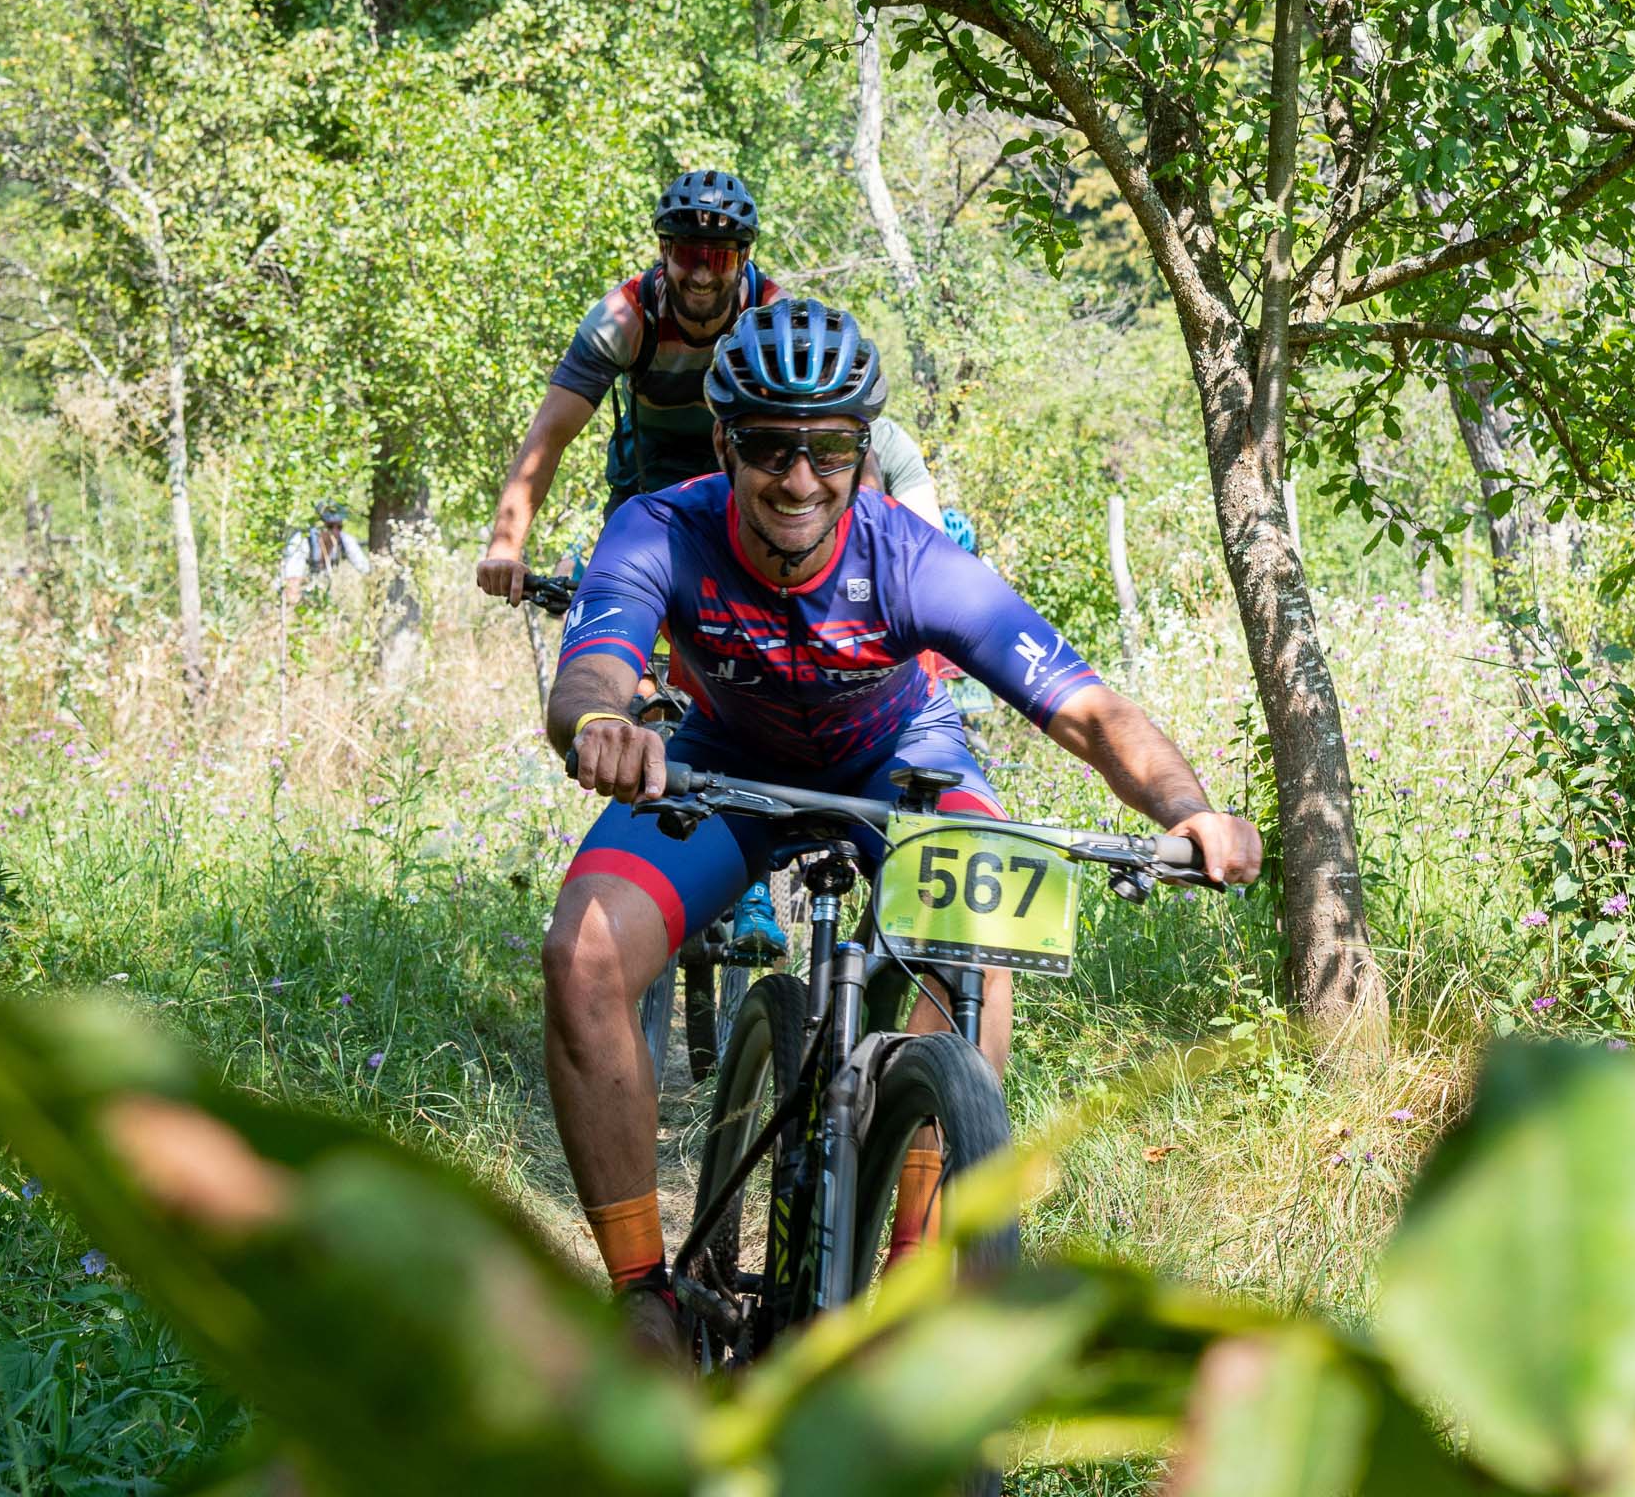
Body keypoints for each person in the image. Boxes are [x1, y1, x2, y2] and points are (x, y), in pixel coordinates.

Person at [537, 300, 1260, 1351]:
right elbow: (592, 670)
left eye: (829, 449)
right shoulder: (663, 527)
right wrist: (605, 721)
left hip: (900, 760)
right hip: (725, 756)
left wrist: (1190, 812)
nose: (800, 479)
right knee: (584, 955)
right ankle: (644, 1291)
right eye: (771, 447)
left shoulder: (908, 556)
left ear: (861, 450)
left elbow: (1089, 711)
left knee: (979, 946)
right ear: (725, 443)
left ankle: (912, 1275)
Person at [475, 167, 943, 959]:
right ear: (662, 253)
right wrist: (506, 544)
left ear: (744, 260)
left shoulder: (771, 317)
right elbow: (548, 435)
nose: (700, 272)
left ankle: (745, 873)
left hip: (761, 490)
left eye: (719, 257)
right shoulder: (625, 318)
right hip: (656, 498)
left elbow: (842, 447)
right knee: (636, 662)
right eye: (685, 252)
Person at [279, 500, 372, 605]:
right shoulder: (302, 541)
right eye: (330, 526)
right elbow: (291, 583)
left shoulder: (345, 541)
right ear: (319, 525)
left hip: (326, 596)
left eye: (339, 527)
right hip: (298, 596)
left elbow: (365, 568)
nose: (335, 532)